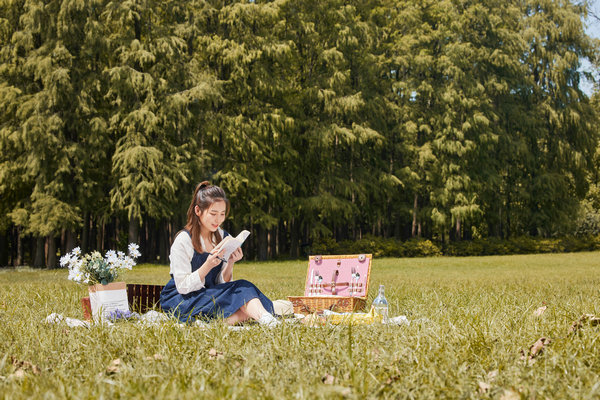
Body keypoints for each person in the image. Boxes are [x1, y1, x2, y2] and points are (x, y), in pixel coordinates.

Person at [160, 181, 278, 326]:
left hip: (208, 294)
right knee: (243, 292)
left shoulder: (221, 235)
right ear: (198, 211)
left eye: (222, 214)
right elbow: (182, 286)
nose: (218, 220)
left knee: (244, 295)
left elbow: (221, 284)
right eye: (213, 213)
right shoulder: (183, 240)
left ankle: (220, 324)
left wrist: (230, 263)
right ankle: (267, 320)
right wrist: (207, 266)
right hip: (182, 298)